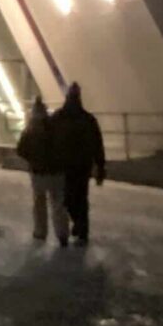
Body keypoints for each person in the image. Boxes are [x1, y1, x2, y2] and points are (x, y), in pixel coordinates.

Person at [45, 82, 106, 246]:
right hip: (82, 165)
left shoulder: (58, 118)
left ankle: (78, 223)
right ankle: (82, 229)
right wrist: (100, 167)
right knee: (81, 197)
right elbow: (97, 145)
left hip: (63, 165)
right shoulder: (88, 119)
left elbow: (48, 141)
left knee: (68, 198)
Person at [14, 99, 66, 245]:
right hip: (56, 171)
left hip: (38, 172)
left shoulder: (30, 130)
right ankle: (62, 232)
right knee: (58, 203)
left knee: (39, 202)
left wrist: (33, 159)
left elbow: (21, 150)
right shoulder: (56, 128)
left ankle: (40, 231)